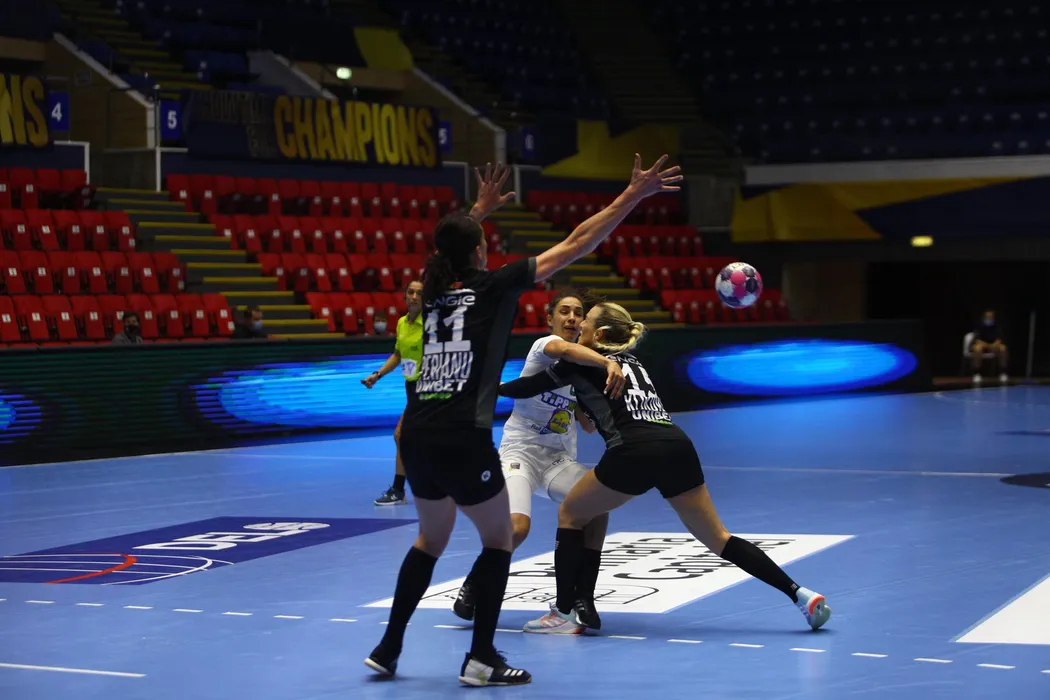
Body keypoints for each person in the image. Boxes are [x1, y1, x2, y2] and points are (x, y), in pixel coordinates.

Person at [364, 156, 682, 687]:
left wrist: (477, 211)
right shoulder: (494, 287)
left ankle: (388, 647)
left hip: (417, 432)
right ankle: (481, 658)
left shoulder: (434, 291)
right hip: (464, 436)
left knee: (430, 540)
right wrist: (631, 195)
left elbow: (446, 250)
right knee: (499, 539)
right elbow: (577, 242)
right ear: (480, 252)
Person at [495, 301, 833, 636]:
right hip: (677, 446)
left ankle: (565, 612)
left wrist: (486, 389)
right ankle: (801, 595)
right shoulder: (633, 362)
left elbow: (526, 387)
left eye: (586, 321)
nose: (578, 325)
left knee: (571, 513)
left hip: (633, 451)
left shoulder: (580, 363)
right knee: (719, 537)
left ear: (598, 334)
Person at [451, 288, 610, 631]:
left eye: (578, 313)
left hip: (557, 461)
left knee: (599, 505)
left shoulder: (581, 370)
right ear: (550, 319)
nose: (572, 318)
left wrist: (595, 399)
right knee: (518, 528)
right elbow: (565, 350)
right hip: (519, 453)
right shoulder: (546, 346)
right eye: (564, 311)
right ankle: (475, 583)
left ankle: (583, 597)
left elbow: (587, 425)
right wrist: (606, 360)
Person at [362, 280, 425, 506]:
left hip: (429, 389)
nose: (414, 297)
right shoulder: (401, 323)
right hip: (411, 388)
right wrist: (377, 375)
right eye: (411, 292)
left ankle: (398, 489)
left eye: (419, 293)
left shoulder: (431, 325)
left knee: (402, 436)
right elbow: (398, 355)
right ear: (405, 296)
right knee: (413, 438)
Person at [971, 309, 1008, 384]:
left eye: (991, 316)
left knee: (1003, 349)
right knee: (977, 349)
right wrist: (987, 345)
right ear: (984, 317)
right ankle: (977, 373)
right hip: (983, 344)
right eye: (988, 316)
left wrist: (995, 344)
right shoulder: (979, 325)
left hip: (994, 346)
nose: (990, 318)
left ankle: (1003, 372)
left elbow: (999, 338)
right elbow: (977, 339)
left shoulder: (997, 325)